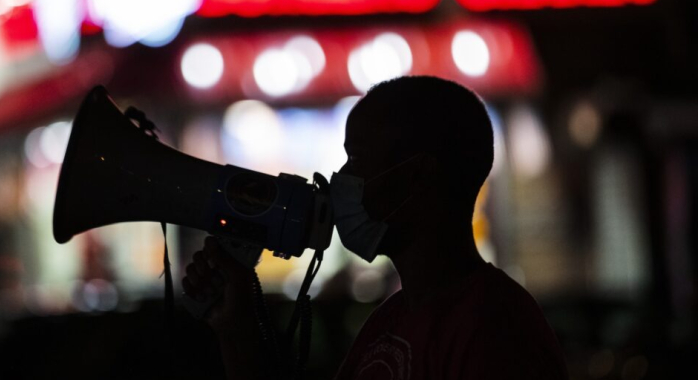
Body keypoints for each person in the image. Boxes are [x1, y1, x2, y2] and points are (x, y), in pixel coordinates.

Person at [182, 76, 569, 379]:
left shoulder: (495, 331)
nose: (340, 180)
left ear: (417, 176)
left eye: (356, 160)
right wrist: (236, 330)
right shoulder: (392, 318)